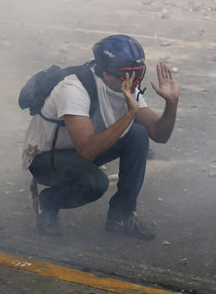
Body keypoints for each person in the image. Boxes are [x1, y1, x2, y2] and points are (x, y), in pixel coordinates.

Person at [22, 35, 179, 239]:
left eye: (139, 73)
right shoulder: (74, 90)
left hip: (81, 149)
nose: (135, 81)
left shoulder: (127, 86)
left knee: (138, 134)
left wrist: (172, 103)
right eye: (128, 74)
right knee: (94, 183)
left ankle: (121, 216)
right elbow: (87, 151)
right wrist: (129, 114)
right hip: (46, 158)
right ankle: (48, 202)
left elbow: (159, 134)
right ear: (107, 75)